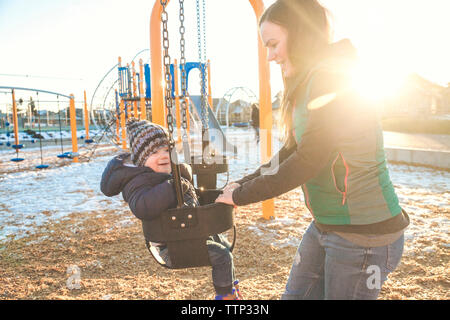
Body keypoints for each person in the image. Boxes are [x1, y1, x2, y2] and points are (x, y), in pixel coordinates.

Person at [216, 0, 409, 300]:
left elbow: (310, 160)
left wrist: (243, 195)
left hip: (365, 233)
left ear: (300, 35)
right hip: (327, 225)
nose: (269, 56)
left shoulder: (332, 77)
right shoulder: (306, 83)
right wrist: (242, 184)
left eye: (273, 44)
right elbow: (291, 151)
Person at [100, 118, 242, 300]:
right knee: (222, 256)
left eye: (167, 150)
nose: (164, 156)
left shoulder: (168, 176)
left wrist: (184, 176)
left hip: (187, 234)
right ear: (141, 159)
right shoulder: (137, 182)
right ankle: (225, 297)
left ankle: (229, 287)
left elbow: (190, 193)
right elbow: (142, 206)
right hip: (170, 247)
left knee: (224, 245)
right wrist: (172, 187)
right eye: (154, 152)